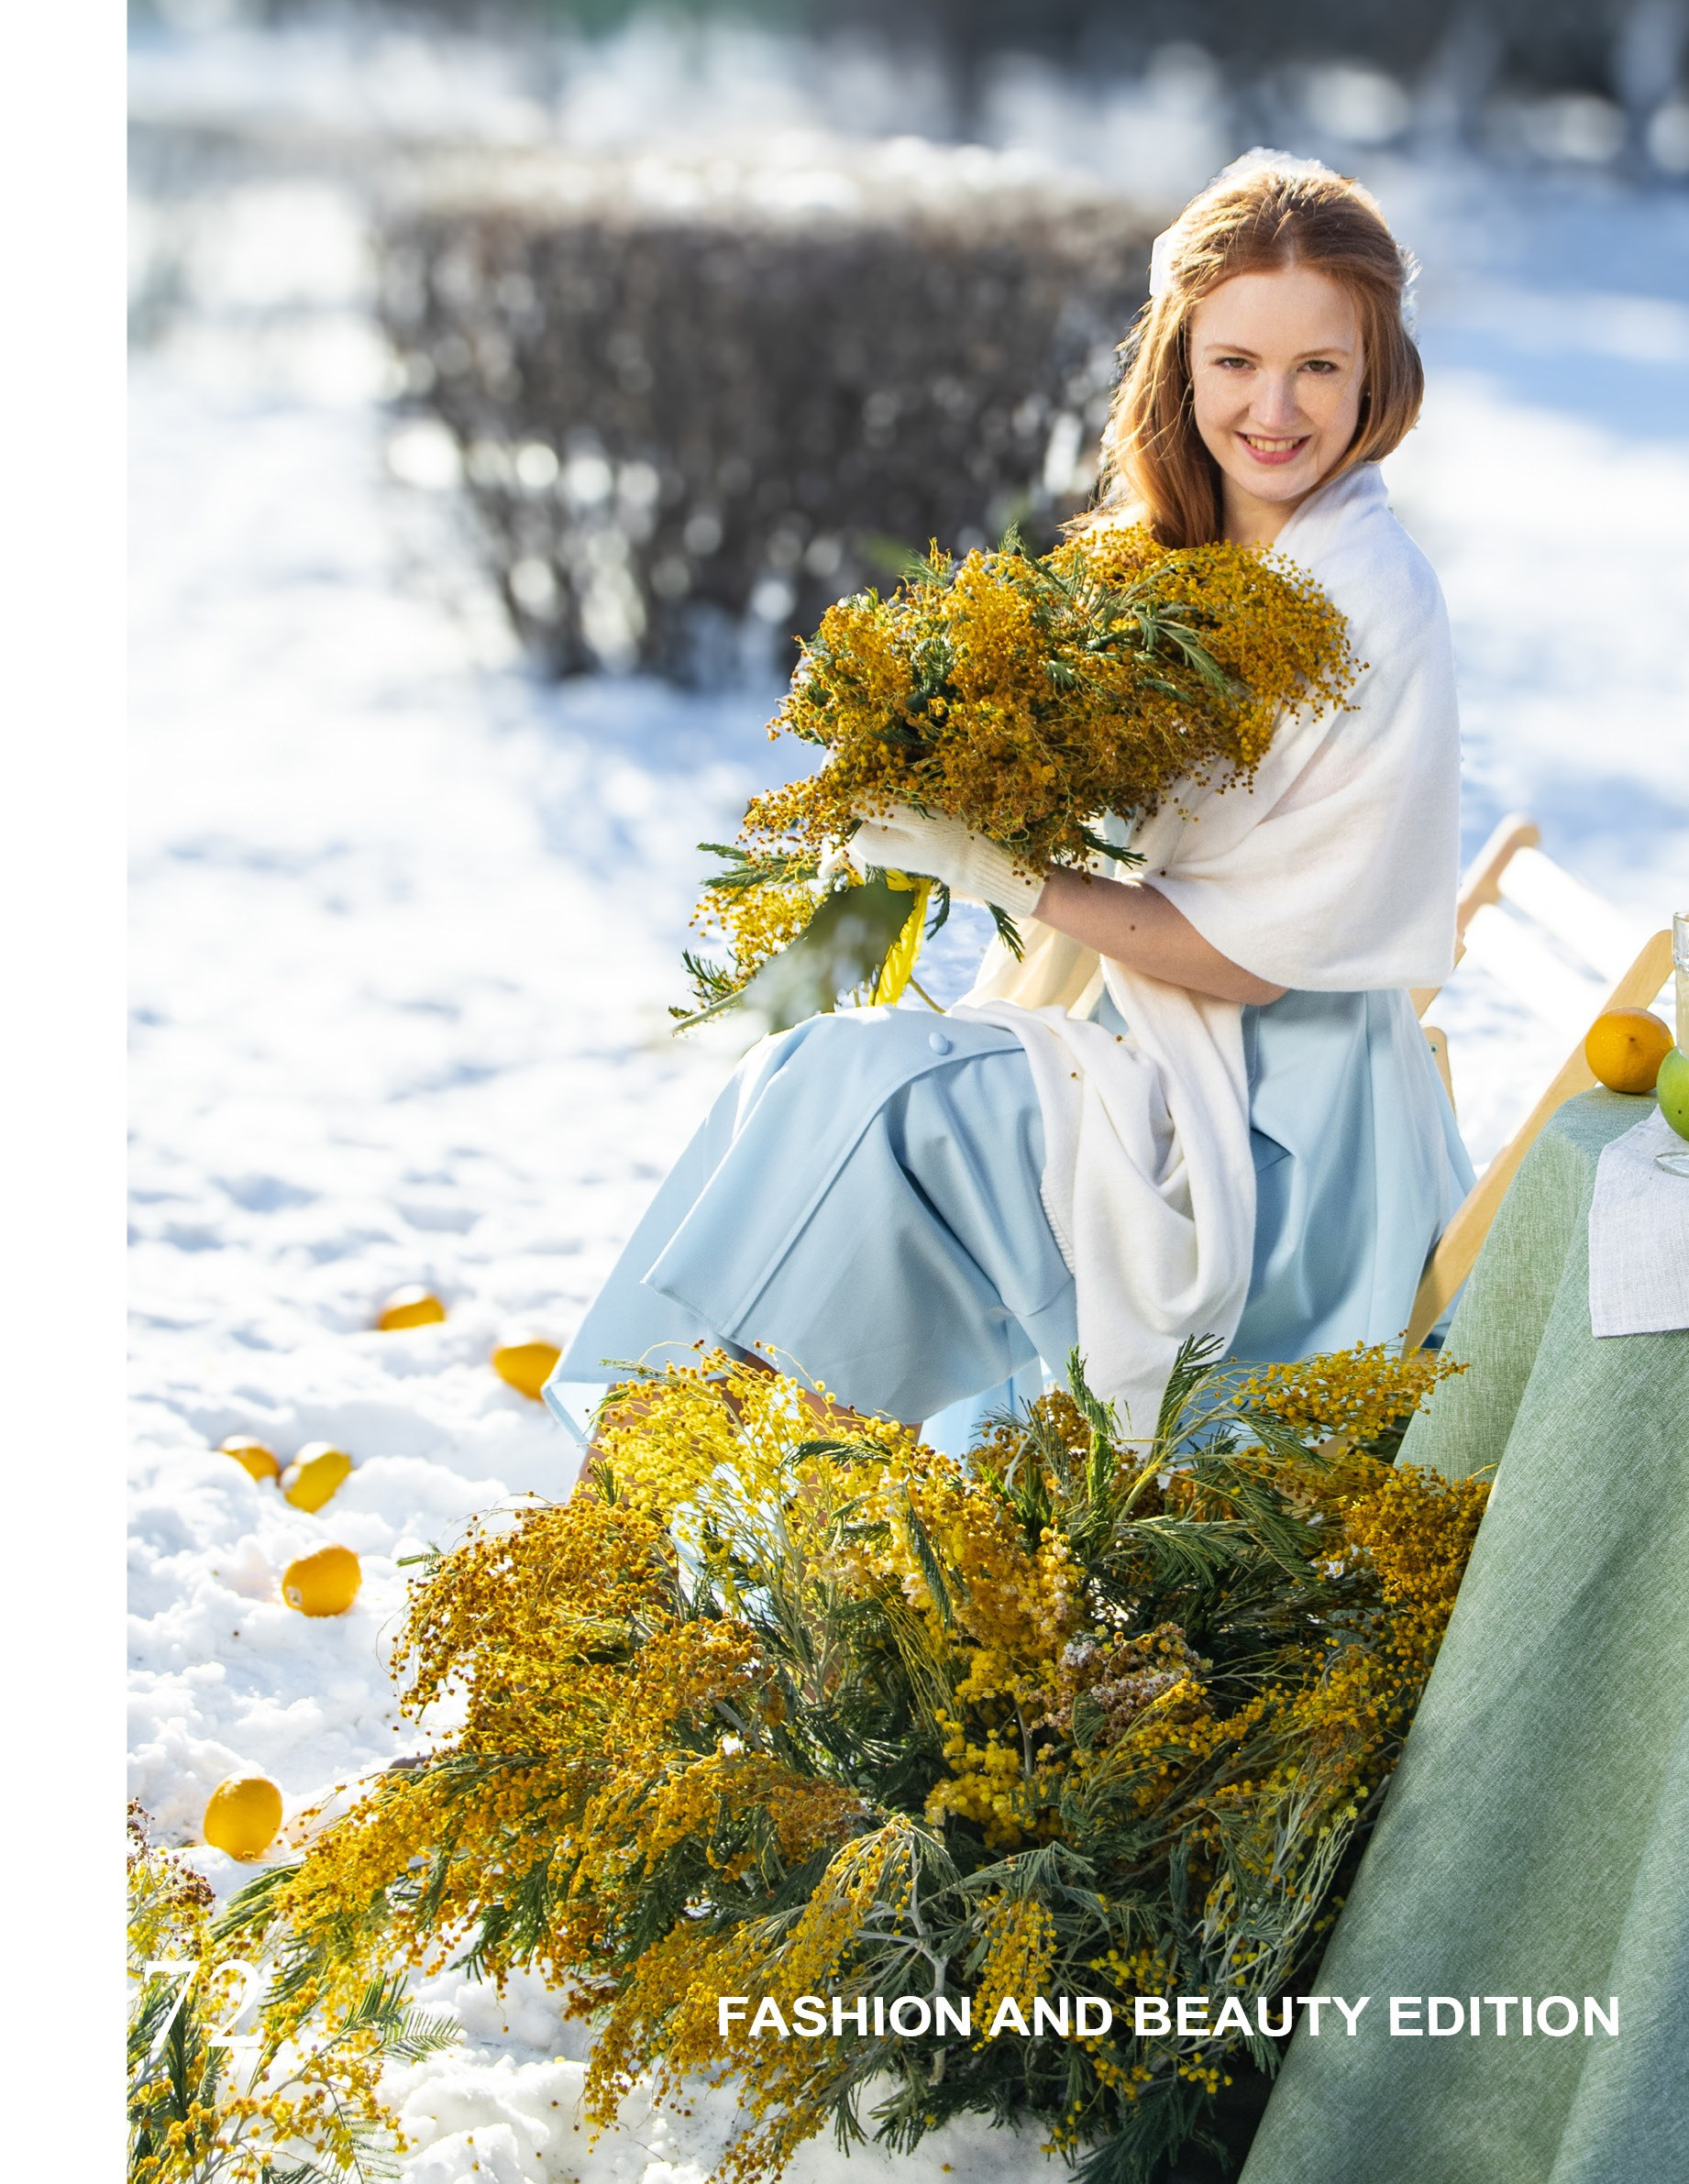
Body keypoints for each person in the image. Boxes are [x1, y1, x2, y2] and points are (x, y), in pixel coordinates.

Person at [544, 152, 1472, 1456]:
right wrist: (945, 756)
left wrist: (1008, 874)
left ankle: (723, 1481)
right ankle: (717, 1471)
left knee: (885, 1099)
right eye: (1234, 364)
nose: (1273, 407)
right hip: (1151, 1039)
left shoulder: (1370, 598)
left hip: (1278, 1132)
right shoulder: (1185, 555)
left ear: (1377, 375)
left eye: (1318, 366)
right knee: (819, 1073)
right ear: (1180, 366)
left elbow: (1252, 968)